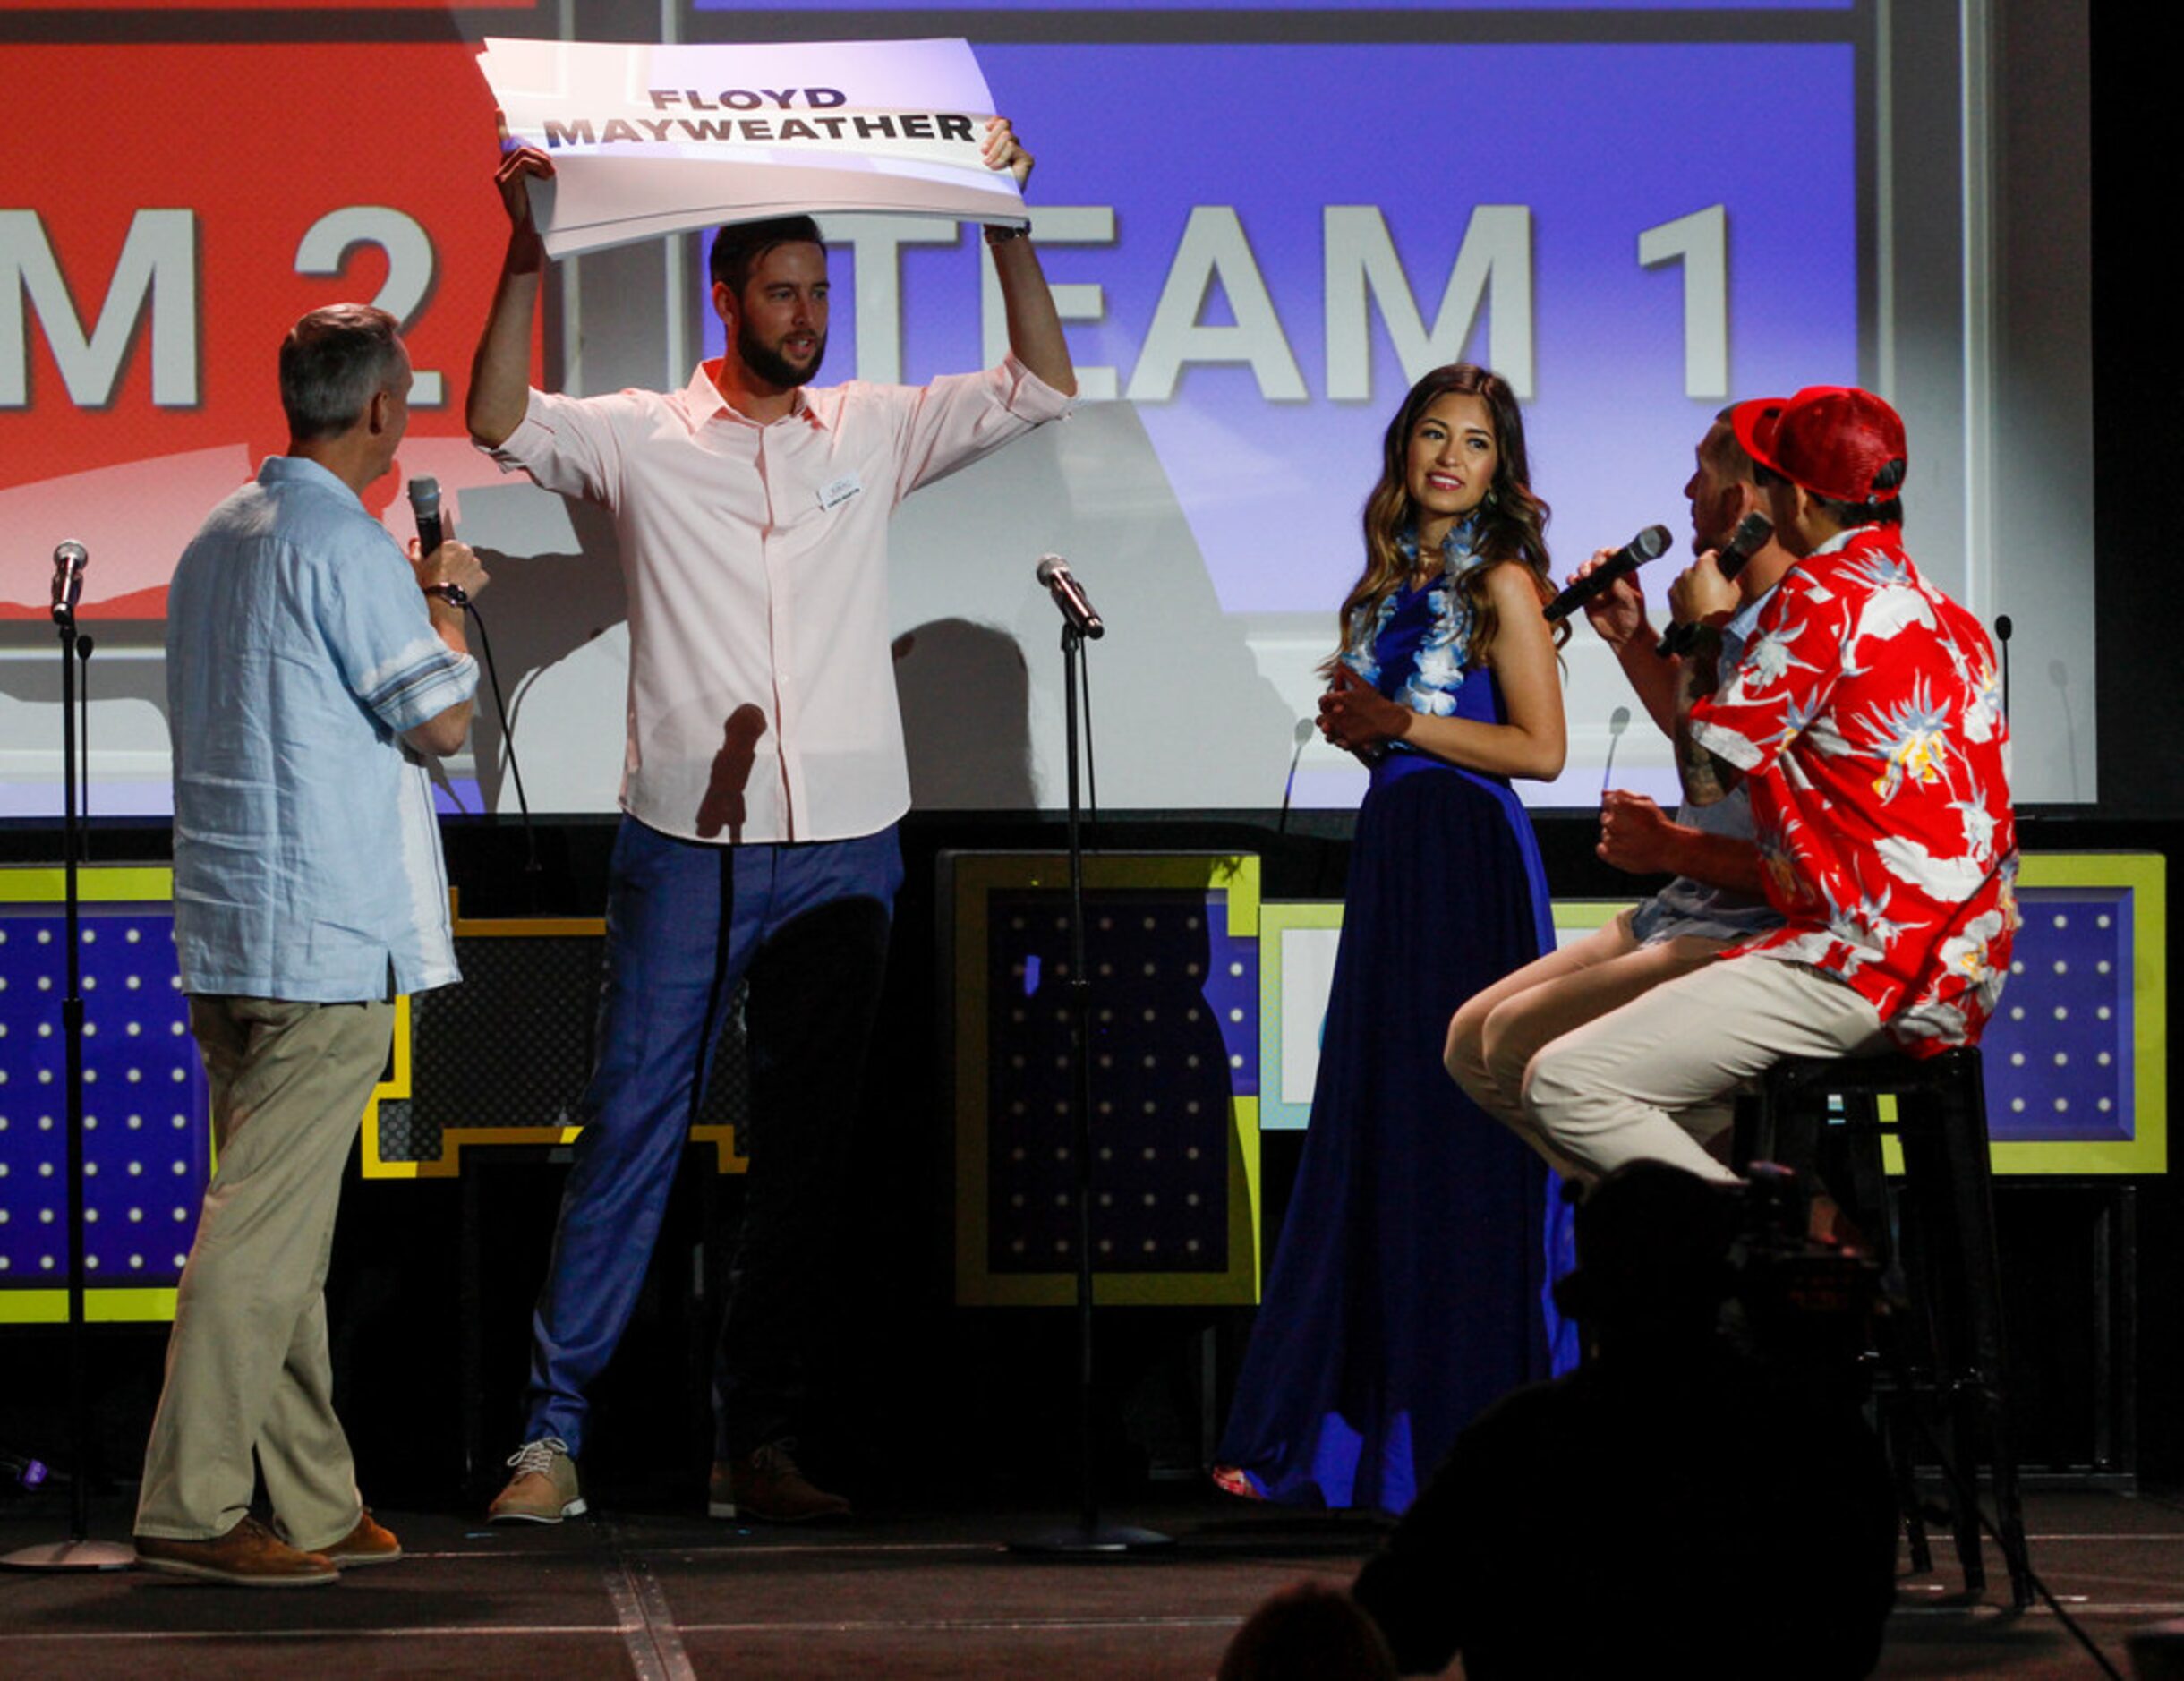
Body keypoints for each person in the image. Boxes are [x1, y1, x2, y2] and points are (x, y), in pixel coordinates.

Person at [469, 120, 1077, 1524]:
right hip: (687, 839)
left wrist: (1000, 218)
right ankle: (550, 1440)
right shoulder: (643, 437)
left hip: (850, 842)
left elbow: (1042, 385)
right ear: (726, 301)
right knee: (631, 1131)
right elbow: (499, 415)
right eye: (784, 293)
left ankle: (765, 1440)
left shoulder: (868, 424)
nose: (809, 317)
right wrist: (523, 248)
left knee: (807, 1161)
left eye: (822, 294)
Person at [132, 304, 486, 1585]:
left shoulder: (216, 538)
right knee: (262, 1233)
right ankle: (191, 1506)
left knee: (278, 1230)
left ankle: (320, 1501)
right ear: (383, 411)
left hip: (230, 932)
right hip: (322, 936)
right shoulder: (348, 547)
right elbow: (441, 725)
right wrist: (443, 601)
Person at [1212, 363, 1566, 1514]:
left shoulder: (1503, 583)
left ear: (1500, 465)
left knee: (1463, 1129)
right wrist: (1370, 734)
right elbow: (1409, 740)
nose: (1450, 456)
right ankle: (1370, 1433)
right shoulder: (1382, 587)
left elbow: (1540, 751)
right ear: (1403, 449)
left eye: (1474, 440)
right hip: (1399, 855)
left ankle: (1470, 1424)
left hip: (1469, 865)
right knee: (1386, 1120)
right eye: (1431, 433)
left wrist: (1400, 721)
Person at [1520, 385, 2016, 1180]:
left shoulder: (1819, 603)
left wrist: (1703, 631)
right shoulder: (1945, 614)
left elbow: (1705, 775)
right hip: (1957, 972)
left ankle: (1777, 1264)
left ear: (1792, 499)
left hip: (1858, 964)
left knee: (1567, 1083)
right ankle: (1770, 1250)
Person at [1344, 1162, 1898, 1678]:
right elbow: (1850, 1639)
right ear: (1720, 1285)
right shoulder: (1812, 1444)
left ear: (1592, 1294)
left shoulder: (1513, 1445)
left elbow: (1395, 1627)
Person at [1446, 402, 1793, 1177]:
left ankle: (1737, 1241)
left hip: (1753, 926)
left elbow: (1800, 857)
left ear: (1740, 498)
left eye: (1700, 472)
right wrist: (1636, 638)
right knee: (1472, 1042)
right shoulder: (1738, 614)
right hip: (1687, 905)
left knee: (1522, 1048)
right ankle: (1685, 1217)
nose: (1684, 491)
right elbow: (1713, 759)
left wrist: (1674, 846)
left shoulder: (1790, 627)